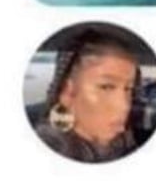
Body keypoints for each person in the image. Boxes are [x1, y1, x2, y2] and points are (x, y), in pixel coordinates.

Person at [34, 28, 141, 163]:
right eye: (106, 87)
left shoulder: (125, 142)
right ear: (68, 92)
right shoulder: (50, 145)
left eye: (128, 89)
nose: (124, 106)